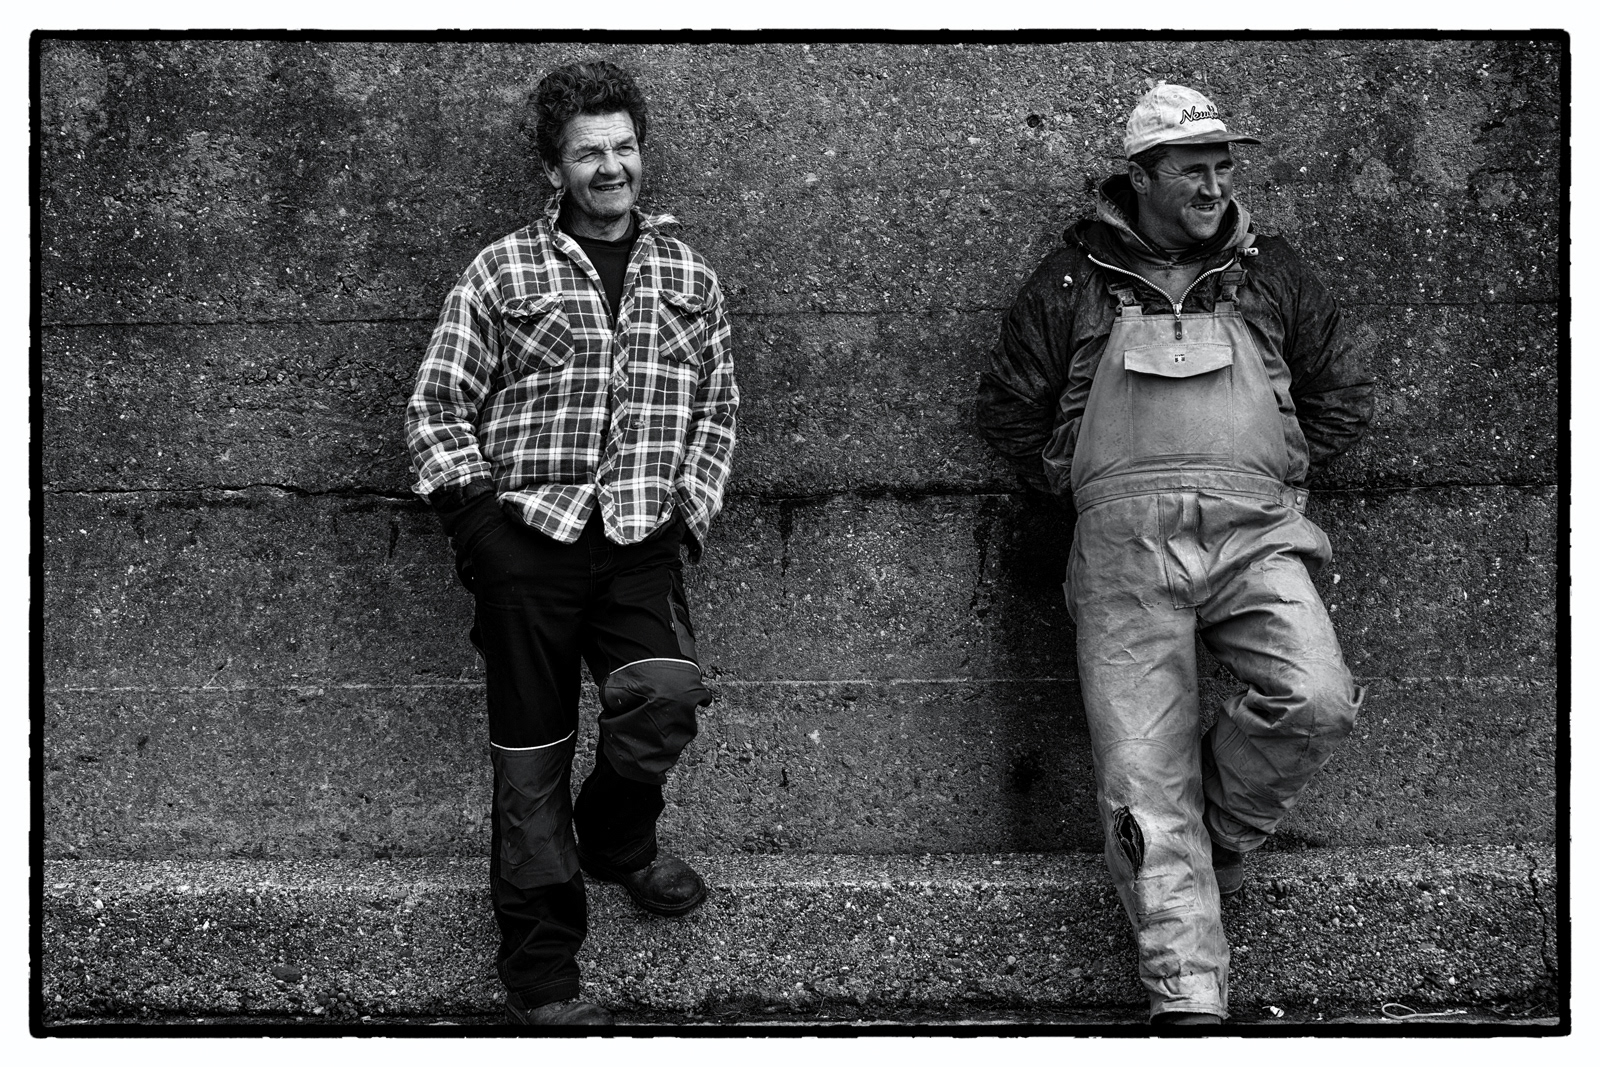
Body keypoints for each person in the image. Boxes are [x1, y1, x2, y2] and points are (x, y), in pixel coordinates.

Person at [977, 82, 1373, 1024]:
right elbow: (1008, 407)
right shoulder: (1070, 277)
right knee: (1139, 781)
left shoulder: (1272, 269)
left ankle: (1214, 832)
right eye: (1192, 166)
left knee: (1315, 698)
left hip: (1257, 533)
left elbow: (1340, 393)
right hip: (1120, 553)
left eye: (1222, 163)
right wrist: (1088, 479)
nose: (1213, 180)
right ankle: (1186, 998)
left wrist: (1273, 471)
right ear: (1141, 176)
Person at [404, 59, 738, 1026]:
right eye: (588, 151)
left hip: (639, 540)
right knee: (530, 767)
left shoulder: (689, 275)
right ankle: (544, 979)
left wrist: (687, 515)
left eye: (624, 146)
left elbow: (718, 410)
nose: (611, 166)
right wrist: (478, 526)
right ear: (554, 168)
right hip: (528, 549)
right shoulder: (503, 270)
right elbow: (436, 405)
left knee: (667, 692)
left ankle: (618, 837)